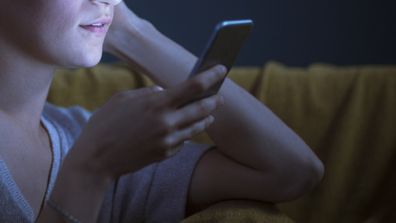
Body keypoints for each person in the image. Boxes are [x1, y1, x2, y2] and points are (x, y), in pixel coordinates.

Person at [0, 0, 324, 222]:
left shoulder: (86, 138)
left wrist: (131, 33)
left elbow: (292, 170)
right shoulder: (95, 150)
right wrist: (90, 170)